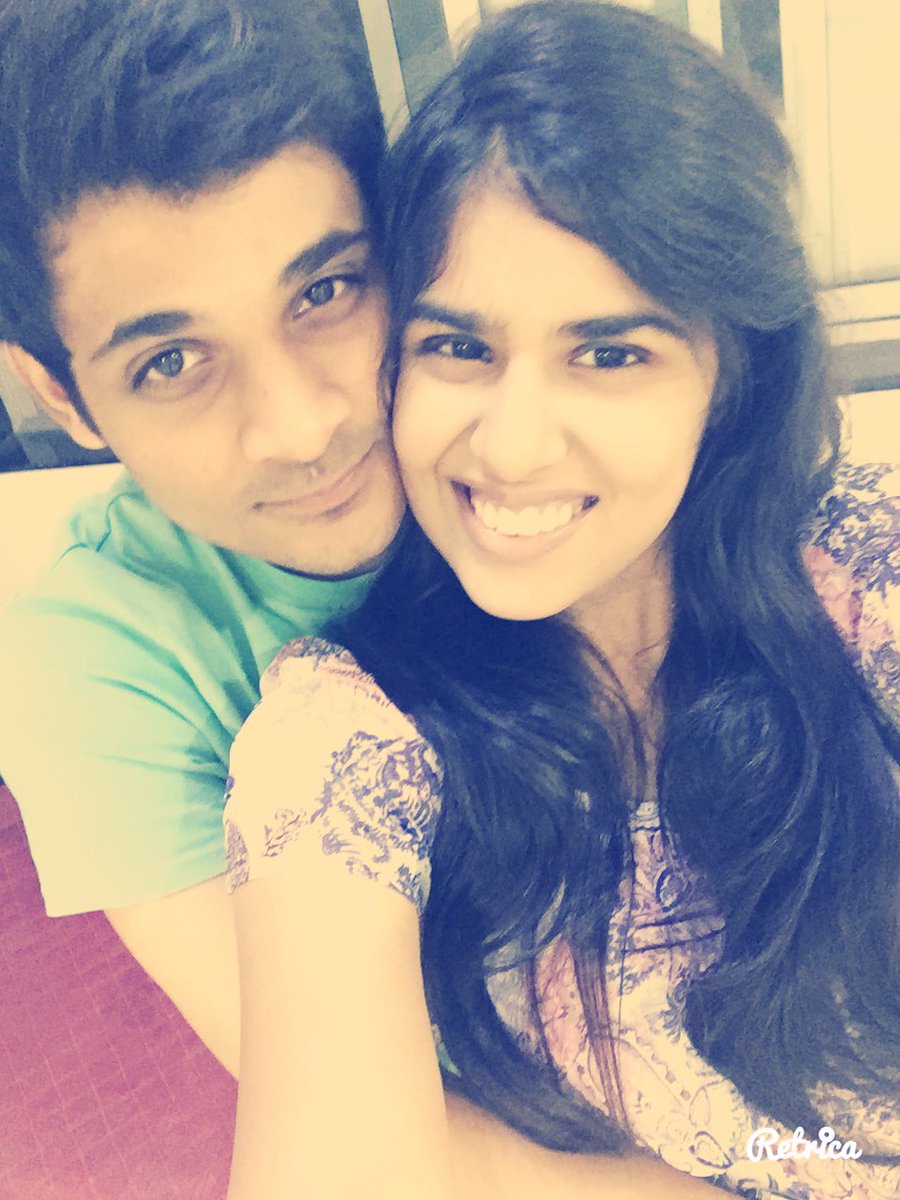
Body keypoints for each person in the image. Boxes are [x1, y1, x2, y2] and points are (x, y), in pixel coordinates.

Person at [222, 3, 900, 1198]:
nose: (515, 445)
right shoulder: (351, 738)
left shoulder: (856, 562)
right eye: (458, 348)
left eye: (611, 353)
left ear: (728, 376)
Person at [0, 0, 402, 1070]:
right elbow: (343, 1111)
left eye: (324, 291)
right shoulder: (90, 657)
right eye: (170, 363)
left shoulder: (528, 452)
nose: (300, 427)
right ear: (61, 394)